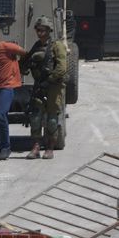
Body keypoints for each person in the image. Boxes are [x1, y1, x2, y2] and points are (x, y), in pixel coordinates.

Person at [23, 16, 67, 160]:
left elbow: (62, 67)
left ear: (48, 31)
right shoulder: (36, 46)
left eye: (42, 30)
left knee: (52, 119)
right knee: (35, 117)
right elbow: (27, 61)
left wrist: (50, 80)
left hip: (53, 87)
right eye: (38, 29)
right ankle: (36, 147)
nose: (40, 32)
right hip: (39, 86)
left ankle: (49, 148)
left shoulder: (57, 45)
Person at [0, 23, 28, 160]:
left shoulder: (8, 47)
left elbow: (25, 54)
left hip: (7, 87)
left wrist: (18, 68)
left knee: (0, 115)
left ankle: (6, 147)